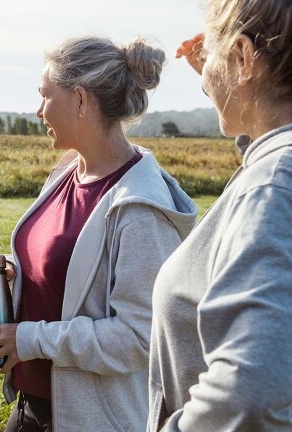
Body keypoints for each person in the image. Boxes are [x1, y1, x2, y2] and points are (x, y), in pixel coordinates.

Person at [0, 36, 197, 432]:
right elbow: (69, 270)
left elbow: (138, 338)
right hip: (34, 408)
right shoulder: (68, 172)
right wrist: (15, 273)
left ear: (79, 99)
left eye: (45, 95)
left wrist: (30, 340)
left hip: (94, 419)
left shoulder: (141, 208)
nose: (38, 110)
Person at [149, 1, 292, 430]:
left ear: (245, 57)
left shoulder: (272, 187)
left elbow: (252, 393)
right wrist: (220, 78)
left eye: (211, 54)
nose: (203, 72)